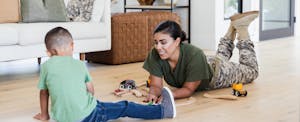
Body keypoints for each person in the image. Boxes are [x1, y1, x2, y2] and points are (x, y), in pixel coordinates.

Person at [33, 27, 176, 122]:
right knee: (124, 106)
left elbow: (44, 93)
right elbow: (90, 90)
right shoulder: (78, 64)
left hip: (62, 119)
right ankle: (163, 111)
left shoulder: (46, 67)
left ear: (49, 52)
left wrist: (45, 115)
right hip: (88, 116)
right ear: (72, 46)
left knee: (101, 105)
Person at [143, 11, 259, 102]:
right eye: (156, 42)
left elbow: (188, 90)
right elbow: (156, 85)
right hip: (205, 63)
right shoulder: (156, 54)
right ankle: (233, 26)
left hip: (218, 73)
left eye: (163, 42)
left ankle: (242, 28)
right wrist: (153, 93)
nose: (158, 47)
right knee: (220, 57)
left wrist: (169, 95)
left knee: (252, 71)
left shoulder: (194, 54)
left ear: (177, 41)